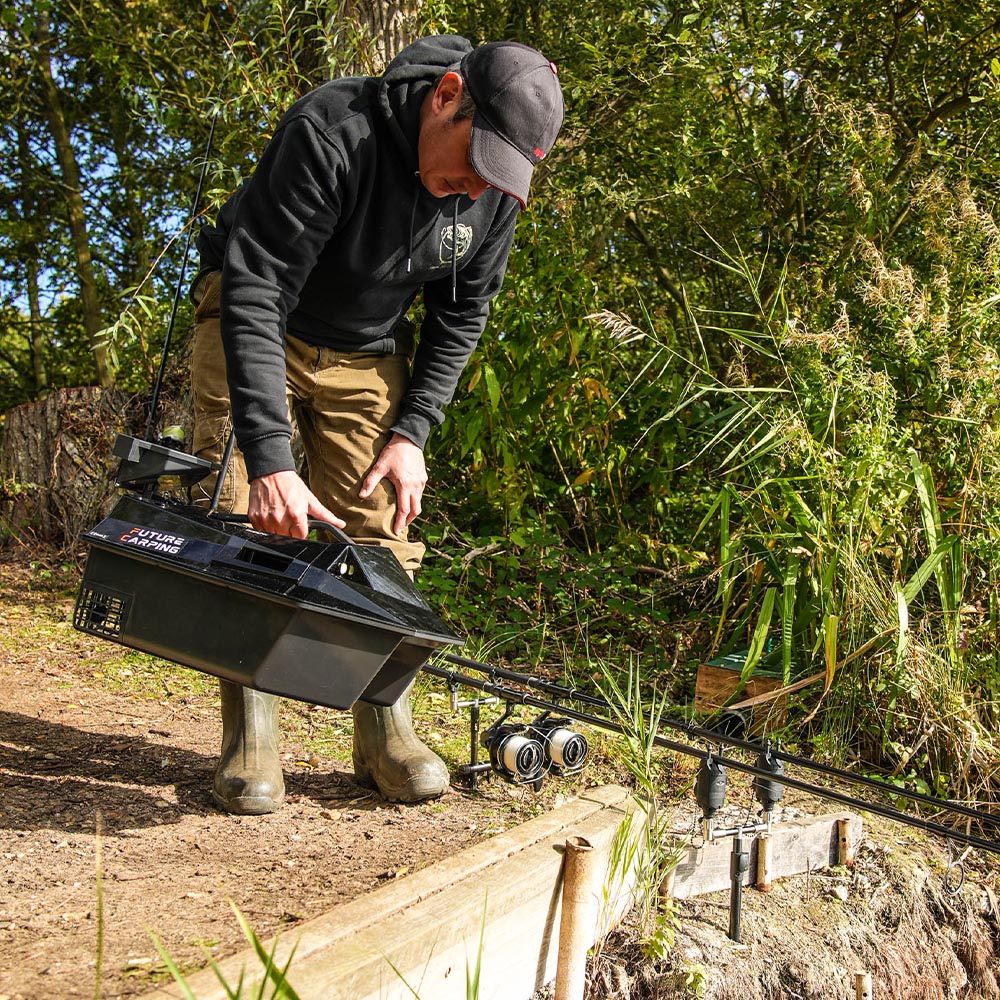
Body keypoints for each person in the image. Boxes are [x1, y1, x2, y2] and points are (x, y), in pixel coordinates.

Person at [187, 34, 564, 814]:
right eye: (474, 158)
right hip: (258, 318)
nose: (472, 186)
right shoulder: (334, 131)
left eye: (496, 175)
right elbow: (257, 289)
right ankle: (252, 732)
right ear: (447, 95)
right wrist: (268, 458)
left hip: (365, 348)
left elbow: (461, 316)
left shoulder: (487, 196)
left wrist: (411, 433)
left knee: (378, 525)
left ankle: (383, 725)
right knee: (248, 517)